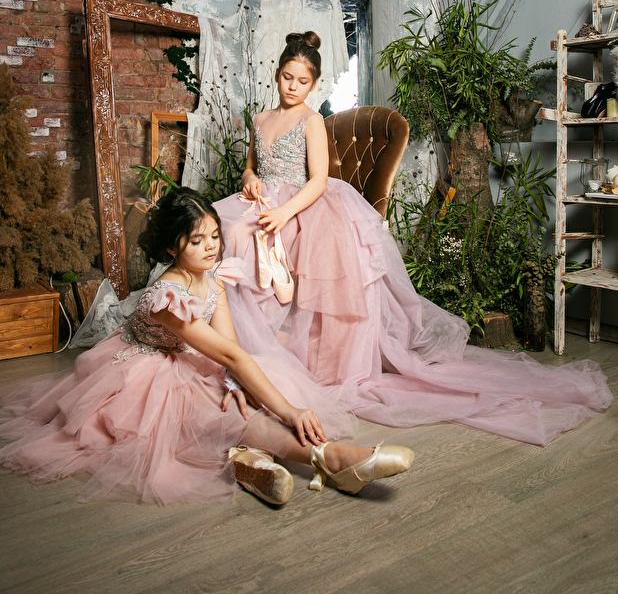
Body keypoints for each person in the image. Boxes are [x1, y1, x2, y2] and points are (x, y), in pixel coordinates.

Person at [214, 32, 613, 446]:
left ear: (314, 85)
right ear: (276, 75)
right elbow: (250, 166)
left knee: (249, 235)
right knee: (226, 228)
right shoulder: (261, 119)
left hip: (301, 205)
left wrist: (283, 212)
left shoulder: (311, 121)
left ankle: (269, 350)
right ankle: (238, 346)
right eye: (287, 77)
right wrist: (251, 179)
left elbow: (317, 180)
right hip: (263, 199)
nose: (292, 87)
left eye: (302, 81)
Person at [0, 188, 414, 506]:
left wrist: (237, 383)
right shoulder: (167, 296)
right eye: (197, 241)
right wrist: (289, 410)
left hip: (193, 358)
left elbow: (231, 347)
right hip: (141, 373)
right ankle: (331, 459)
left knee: (243, 395)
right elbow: (231, 355)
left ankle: (252, 461)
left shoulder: (213, 279)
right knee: (213, 408)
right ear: (171, 248)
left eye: (215, 235)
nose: (212, 246)